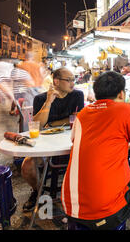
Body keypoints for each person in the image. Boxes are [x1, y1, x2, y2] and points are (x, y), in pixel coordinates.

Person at [61, 71, 130, 230]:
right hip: (105, 210)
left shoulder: (83, 114)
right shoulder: (124, 109)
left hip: (70, 206)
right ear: (121, 93)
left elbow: (93, 142)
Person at [21, 68, 84, 212]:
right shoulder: (41, 99)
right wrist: (49, 102)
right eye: (68, 80)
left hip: (68, 141)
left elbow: (79, 118)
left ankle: (75, 194)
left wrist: (54, 123)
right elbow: (39, 124)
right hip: (46, 143)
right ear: (56, 81)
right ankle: (37, 191)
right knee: (27, 165)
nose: (72, 83)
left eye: (73, 80)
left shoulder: (77, 95)